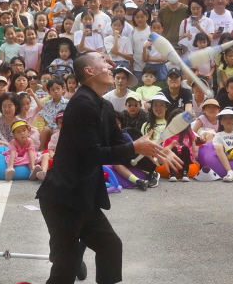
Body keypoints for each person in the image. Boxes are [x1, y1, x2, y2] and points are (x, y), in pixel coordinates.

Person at [37, 51, 181, 284]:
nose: (110, 64)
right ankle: (73, 256)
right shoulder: (82, 104)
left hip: (84, 197)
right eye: (103, 60)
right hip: (63, 198)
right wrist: (135, 146)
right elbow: (93, 154)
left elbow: (120, 143)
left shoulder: (102, 104)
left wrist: (155, 149)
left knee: (110, 247)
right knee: (63, 269)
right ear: (90, 71)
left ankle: (75, 255)